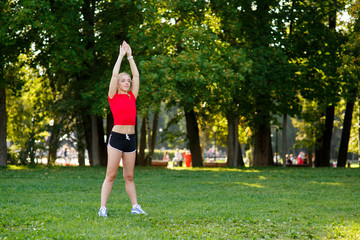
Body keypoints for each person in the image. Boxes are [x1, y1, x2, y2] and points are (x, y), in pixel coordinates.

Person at [99, 41, 146, 217]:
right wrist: (120, 56)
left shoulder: (132, 97)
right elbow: (113, 75)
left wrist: (130, 56)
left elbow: (137, 76)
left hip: (131, 140)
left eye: (128, 81)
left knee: (129, 176)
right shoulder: (113, 96)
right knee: (111, 175)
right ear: (118, 84)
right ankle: (103, 208)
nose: (127, 82)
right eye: (123, 81)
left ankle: (135, 206)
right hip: (117, 138)